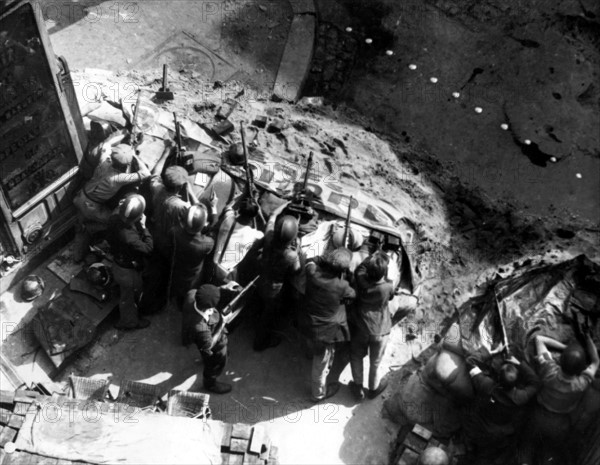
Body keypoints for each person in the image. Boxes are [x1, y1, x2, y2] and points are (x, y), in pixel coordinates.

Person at [521, 333, 599, 464]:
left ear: (560, 361)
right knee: (550, 450)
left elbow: (539, 339)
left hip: (538, 415)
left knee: (527, 444)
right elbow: (596, 361)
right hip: (560, 424)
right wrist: (589, 339)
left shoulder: (548, 370)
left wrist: (565, 348)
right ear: (581, 369)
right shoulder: (581, 383)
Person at [73, 144, 151, 260]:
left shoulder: (104, 161)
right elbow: (146, 173)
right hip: (92, 207)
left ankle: (77, 256)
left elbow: (106, 145)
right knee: (114, 223)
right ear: (127, 164)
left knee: (80, 225)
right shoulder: (118, 178)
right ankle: (88, 228)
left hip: (80, 197)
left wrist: (123, 145)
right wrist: (134, 155)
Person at [463, 344, 540, 460]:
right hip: (500, 433)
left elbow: (470, 361)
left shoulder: (486, 385)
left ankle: (471, 451)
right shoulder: (520, 397)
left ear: (498, 378)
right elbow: (535, 382)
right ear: (517, 383)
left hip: (480, 425)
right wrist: (519, 363)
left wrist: (493, 351)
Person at [303, 247, 356, 402]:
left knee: (312, 347)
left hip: (308, 323)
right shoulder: (342, 286)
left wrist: (326, 258)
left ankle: (308, 353)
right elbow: (352, 296)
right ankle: (318, 394)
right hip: (324, 334)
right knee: (319, 366)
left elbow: (309, 262)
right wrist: (349, 276)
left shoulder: (313, 274)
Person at [349, 252, 395, 401]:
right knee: (375, 363)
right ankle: (373, 389)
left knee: (356, 356)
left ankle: (357, 389)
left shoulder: (361, 281)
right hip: (380, 330)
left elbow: (359, 270)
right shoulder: (387, 287)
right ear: (384, 272)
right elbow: (392, 296)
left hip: (362, 327)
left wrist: (372, 257)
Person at [253, 214, 302, 351]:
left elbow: (272, 218)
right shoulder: (291, 255)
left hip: (262, 280)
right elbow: (296, 271)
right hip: (274, 290)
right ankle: (260, 343)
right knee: (268, 316)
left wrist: (281, 209)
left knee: (260, 303)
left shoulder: (269, 238)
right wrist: (297, 250)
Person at [106, 194, 153, 330]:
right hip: (127, 271)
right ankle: (129, 322)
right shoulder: (129, 237)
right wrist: (144, 228)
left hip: (118, 260)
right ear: (138, 217)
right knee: (128, 298)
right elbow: (148, 248)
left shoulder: (114, 218)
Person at [182, 284, 232, 394]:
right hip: (211, 343)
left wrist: (221, 288)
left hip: (193, 333)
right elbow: (209, 345)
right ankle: (210, 384)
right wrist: (222, 324)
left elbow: (204, 293)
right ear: (208, 307)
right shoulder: (201, 329)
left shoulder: (192, 295)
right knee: (215, 363)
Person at [169, 205, 216, 308]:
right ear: (203, 225)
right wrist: (214, 211)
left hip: (177, 268)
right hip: (193, 275)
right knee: (188, 291)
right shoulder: (207, 243)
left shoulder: (174, 232)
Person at [213, 198, 264, 284]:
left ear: (239, 211)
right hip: (227, 272)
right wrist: (259, 212)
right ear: (253, 217)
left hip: (214, 263)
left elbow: (228, 208)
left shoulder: (228, 219)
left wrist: (236, 198)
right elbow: (263, 229)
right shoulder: (253, 234)